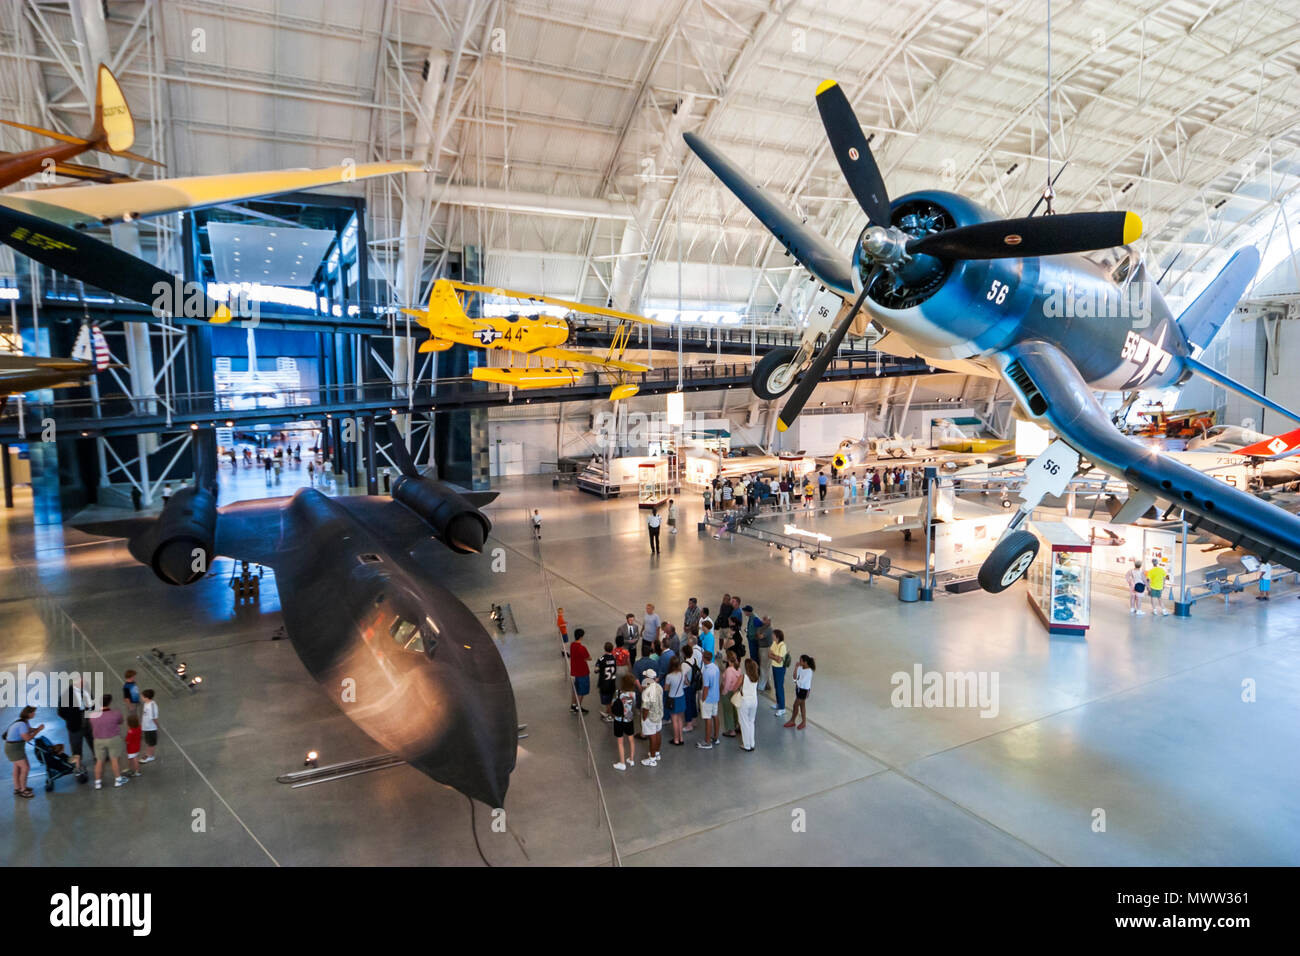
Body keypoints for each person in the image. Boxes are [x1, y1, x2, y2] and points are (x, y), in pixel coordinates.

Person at [88, 694, 128, 789]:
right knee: (114, 760)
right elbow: (121, 721)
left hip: (98, 740)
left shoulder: (93, 715)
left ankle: (98, 782)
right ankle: (118, 780)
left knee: (99, 761)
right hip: (113, 738)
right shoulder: (116, 713)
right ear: (109, 702)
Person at [6, 706, 43, 798]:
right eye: (33, 712)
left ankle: (17, 788)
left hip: (16, 747)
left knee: (17, 768)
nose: (34, 714)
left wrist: (36, 729)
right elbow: (27, 738)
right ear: (28, 713)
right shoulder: (22, 724)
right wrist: (38, 730)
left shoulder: (24, 722)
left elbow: (29, 730)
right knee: (25, 768)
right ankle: (23, 790)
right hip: (13, 749)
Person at [57, 676, 92, 772]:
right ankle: (78, 765)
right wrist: (70, 719)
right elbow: (60, 712)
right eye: (82, 683)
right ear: (76, 683)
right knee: (76, 747)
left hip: (87, 720)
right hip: (74, 726)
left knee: (92, 740)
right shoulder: (66, 695)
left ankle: (97, 756)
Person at [612, 674, 638, 770]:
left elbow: (613, 704)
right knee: (631, 740)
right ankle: (631, 759)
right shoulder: (633, 694)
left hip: (619, 720)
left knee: (620, 742)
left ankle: (622, 763)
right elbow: (634, 705)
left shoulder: (618, 693)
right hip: (629, 719)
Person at [639, 670, 664, 766]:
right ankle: (657, 753)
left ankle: (652, 759)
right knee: (658, 733)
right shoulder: (659, 687)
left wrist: (644, 718)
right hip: (658, 715)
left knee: (652, 737)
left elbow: (646, 708)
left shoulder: (647, 692)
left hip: (650, 717)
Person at [697, 651, 721, 749]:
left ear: (704, 658)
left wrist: (703, 699)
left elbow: (706, 688)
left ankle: (707, 742)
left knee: (708, 719)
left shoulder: (706, 672)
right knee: (715, 715)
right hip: (716, 696)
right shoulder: (715, 667)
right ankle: (715, 737)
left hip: (708, 698)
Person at [784, 655, 816, 730]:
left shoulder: (809, 671)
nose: (799, 662)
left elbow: (801, 682)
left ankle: (792, 721)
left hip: (803, 690)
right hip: (798, 688)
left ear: (805, 662)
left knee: (795, 705)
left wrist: (795, 681)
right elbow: (795, 677)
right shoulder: (800, 668)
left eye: (801, 661)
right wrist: (796, 668)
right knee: (802, 705)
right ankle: (804, 722)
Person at [737, 659, 759, 751]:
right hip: (754, 701)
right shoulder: (756, 677)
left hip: (745, 701)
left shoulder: (743, 677)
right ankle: (752, 743)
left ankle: (746, 745)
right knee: (751, 722)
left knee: (744, 723)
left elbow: (736, 686)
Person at [663, 657, 686, 746]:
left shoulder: (669, 676)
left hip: (673, 698)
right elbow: (686, 683)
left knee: (674, 720)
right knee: (680, 719)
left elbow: (666, 688)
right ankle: (681, 738)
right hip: (681, 697)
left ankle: (676, 739)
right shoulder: (682, 673)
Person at [568, 629, 591, 715]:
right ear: (581, 637)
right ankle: (578, 707)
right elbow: (589, 658)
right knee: (581, 691)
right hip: (582, 672)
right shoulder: (582, 648)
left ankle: (573, 705)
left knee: (575, 689)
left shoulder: (572, 645)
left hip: (574, 672)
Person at [720, 652, 743, 738]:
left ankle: (731, 730)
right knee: (735, 710)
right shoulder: (738, 669)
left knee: (728, 711)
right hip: (735, 692)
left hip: (728, 692)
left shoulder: (729, 670)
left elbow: (727, 684)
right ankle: (737, 725)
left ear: (729, 660)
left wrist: (723, 692)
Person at [596, 642, 618, 722]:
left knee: (607, 701)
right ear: (612, 649)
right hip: (612, 682)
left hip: (604, 683)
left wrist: (599, 668)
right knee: (611, 698)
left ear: (604, 648)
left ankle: (610, 716)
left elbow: (596, 669)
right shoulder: (614, 658)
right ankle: (608, 712)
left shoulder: (602, 659)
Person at [769, 629, 789, 717]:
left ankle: (782, 708)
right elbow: (769, 654)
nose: (772, 636)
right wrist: (775, 657)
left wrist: (774, 656)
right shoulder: (774, 643)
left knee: (780, 687)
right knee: (776, 686)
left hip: (780, 669)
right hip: (774, 667)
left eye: (773, 635)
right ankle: (778, 703)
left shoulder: (782, 646)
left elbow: (779, 660)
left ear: (777, 637)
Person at [140, 689, 159, 763]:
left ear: (147, 697)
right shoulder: (146, 704)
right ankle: (148, 754)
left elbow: (154, 717)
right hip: (146, 727)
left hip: (151, 728)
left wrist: (157, 726)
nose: (141, 698)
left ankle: (151, 756)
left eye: (142, 697)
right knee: (148, 742)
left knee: (151, 743)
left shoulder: (152, 705)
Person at [756, 614, 774, 692]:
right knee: (765, 667)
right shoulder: (762, 627)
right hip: (762, 649)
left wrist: (759, 634)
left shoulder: (769, 629)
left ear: (769, 621)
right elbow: (757, 635)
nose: (762, 621)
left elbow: (760, 636)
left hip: (767, 649)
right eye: (763, 619)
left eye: (764, 619)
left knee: (764, 667)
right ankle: (767, 684)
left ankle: (761, 686)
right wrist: (759, 634)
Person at [124, 713, 143, 778]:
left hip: (131, 748)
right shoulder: (139, 727)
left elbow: (127, 740)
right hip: (137, 746)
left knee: (133, 759)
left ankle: (136, 771)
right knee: (133, 758)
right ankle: (131, 768)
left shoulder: (131, 731)